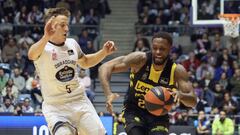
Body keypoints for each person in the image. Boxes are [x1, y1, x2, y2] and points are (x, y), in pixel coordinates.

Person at [28, 7, 116, 135]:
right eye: (62, 25)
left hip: (79, 101)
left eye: (67, 25)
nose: (67, 29)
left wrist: (104, 52)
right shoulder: (42, 47)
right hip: (55, 106)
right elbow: (31, 54)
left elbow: (85, 62)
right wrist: (46, 36)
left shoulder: (72, 43)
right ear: (51, 26)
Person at [99, 32, 197, 135]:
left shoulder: (177, 70)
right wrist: (108, 93)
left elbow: (193, 101)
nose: (158, 52)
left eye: (162, 49)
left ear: (169, 49)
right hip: (134, 110)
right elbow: (105, 67)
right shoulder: (140, 59)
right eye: (155, 48)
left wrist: (181, 95)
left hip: (159, 115)